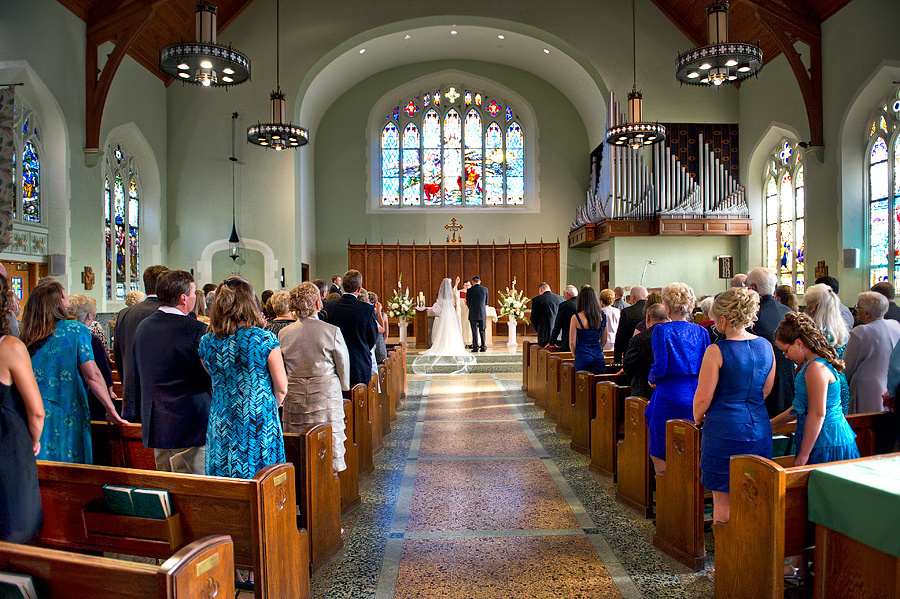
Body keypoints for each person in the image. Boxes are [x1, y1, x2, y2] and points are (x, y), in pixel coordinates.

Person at [693, 288, 775, 524]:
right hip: (759, 427)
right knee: (755, 494)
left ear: (722, 319)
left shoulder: (716, 350)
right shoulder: (766, 346)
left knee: (724, 499)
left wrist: (698, 416)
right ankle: (750, 552)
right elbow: (766, 390)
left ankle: (727, 559)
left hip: (724, 431)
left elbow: (703, 397)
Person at [22, 279, 126, 464]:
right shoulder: (75, 330)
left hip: (31, 410)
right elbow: (92, 375)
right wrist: (109, 408)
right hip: (66, 410)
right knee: (70, 467)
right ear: (60, 301)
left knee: (39, 466)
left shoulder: (25, 334)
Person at [199, 276, 287, 479]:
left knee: (224, 475)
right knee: (261, 479)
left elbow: (212, 373)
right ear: (250, 302)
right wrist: (269, 406)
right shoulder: (262, 338)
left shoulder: (207, 342)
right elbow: (281, 387)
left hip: (221, 420)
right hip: (257, 419)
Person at [132, 270, 211, 474]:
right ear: (183, 298)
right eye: (193, 292)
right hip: (191, 421)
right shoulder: (196, 330)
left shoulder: (143, 326)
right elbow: (208, 373)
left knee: (167, 490)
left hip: (158, 420)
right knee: (193, 491)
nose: (194, 297)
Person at [279, 282, 350, 472]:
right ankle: (329, 483)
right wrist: (344, 385)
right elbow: (342, 364)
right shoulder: (331, 331)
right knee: (327, 445)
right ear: (318, 304)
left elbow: (282, 367)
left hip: (295, 396)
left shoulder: (284, 334)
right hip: (325, 396)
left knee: (298, 444)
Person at [772, 312, 859, 464]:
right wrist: (772, 423)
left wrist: (803, 455)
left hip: (827, 438)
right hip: (818, 434)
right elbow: (799, 407)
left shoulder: (815, 368)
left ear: (799, 343)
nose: (785, 355)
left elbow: (817, 413)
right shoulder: (807, 364)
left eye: (785, 350)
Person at [646, 282, 709, 474]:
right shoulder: (701, 331)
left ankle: (668, 494)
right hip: (696, 393)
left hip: (670, 394)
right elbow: (707, 365)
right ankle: (688, 492)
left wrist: (652, 378)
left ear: (668, 307)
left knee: (661, 448)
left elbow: (661, 366)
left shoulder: (662, 331)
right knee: (691, 447)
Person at [0, 273, 44, 543]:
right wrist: (34, 438)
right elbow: (36, 410)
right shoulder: (10, 347)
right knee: (16, 526)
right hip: (8, 444)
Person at [114, 264, 168, 419]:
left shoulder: (125, 313)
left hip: (131, 394)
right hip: (162, 399)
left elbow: (118, 353)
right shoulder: (169, 311)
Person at [746, 267, 794, 417]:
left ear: (752, 288)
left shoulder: (752, 316)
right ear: (774, 288)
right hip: (789, 385)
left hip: (763, 389)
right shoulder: (788, 311)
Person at [843, 291, 900, 413]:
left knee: (866, 425)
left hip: (867, 389)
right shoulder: (895, 325)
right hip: (891, 387)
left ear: (867, 313)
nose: (856, 310)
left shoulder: (860, 332)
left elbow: (847, 367)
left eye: (858, 307)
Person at [323, 270, 379, 386]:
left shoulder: (329, 306)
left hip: (334, 364)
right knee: (361, 401)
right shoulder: (366, 309)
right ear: (359, 288)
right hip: (359, 363)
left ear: (343, 286)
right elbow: (373, 337)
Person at [67, 294, 116, 422]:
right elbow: (102, 370)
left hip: (67, 395)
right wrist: (109, 391)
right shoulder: (91, 340)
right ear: (90, 315)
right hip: (91, 396)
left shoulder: (60, 337)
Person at [413, 278, 476, 375]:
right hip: (451, 314)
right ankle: (451, 345)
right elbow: (455, 305)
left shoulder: (441, 296)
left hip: (444, 315)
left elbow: (439, 305)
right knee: (452, 330)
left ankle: (442, 345)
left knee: (442, 331)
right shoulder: (453, 294)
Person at [804, 283, 851, 413]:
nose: (807, 309)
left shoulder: (816, 333)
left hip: (822, 382)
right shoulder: (840, 328)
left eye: (808, 304)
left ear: (816, 307)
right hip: (840, 381)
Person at [623, 303, 668, 400]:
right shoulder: (673, 336)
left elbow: (628, 365)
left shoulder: (639, 339)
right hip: (668, 390)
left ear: (647, 318)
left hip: (642, 390)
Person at [568, 285, 607, 374]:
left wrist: (575, 355)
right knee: (599, 383)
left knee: (581, 385)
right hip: (598, 355)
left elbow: (572, 342)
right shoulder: (601, 317)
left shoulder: (576, 317)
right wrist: (597, 349)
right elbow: (604, 340)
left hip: (582, 355)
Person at [614, 285, 647, 363]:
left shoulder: (627, 312)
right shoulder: (654, 310)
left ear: (633, 296)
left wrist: (617, 358)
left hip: (631, 354)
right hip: (651, 355)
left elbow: (620, 336)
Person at [530, 283, 563, 347]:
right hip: (559, 334)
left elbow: (533, 318)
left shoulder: (537, 300)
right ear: (550, 289)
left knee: (544, 354)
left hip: (544, 334)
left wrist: (539, 329)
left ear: (541, 290)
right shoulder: (560, 298)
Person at [549, 285, 578, 351]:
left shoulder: (564, 305)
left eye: (564, 295)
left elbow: (558, 325)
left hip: (568, 339)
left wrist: (552, 342)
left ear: (568, 294)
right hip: (582, 341)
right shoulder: (584, 304)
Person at [465, 276, 488, 353]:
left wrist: (472, 308)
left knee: (474, 331)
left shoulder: (470, 290)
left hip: (473, 313)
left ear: (472, 282)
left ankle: (475, 347)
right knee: (482, 330)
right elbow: (486, 302)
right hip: (482, 313)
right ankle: (483, 346)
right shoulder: (485, 289)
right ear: (480, 281)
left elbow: (468, 302)